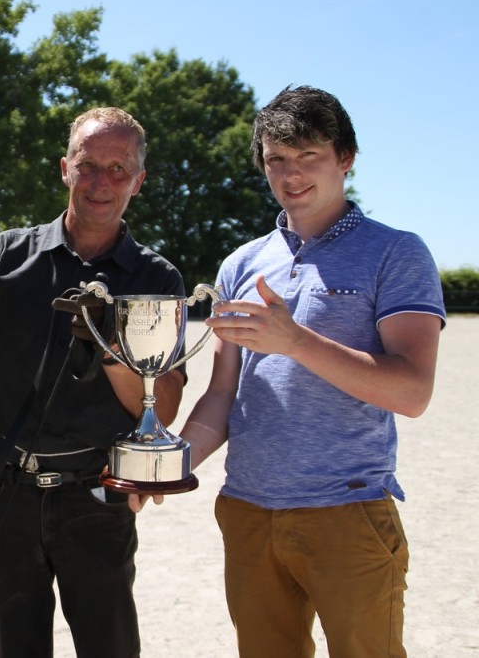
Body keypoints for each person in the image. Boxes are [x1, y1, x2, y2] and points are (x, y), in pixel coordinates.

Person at [169, 86, 445, 656]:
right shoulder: (241, 263)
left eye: (308, 156)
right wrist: (170, 464)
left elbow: (412, 391)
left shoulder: (397, 252)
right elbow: (223, 396)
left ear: (345, 157)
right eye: (276, 159)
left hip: (347, 511)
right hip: (247, 511)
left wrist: (295, 341)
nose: (291, 174)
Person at [0, 108, 185, 657]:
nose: (101, 182)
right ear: (65, 168)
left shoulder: (156, 278)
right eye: (88, 165)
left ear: (139, 180)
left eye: (118, 168)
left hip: (97, 498)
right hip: (0, 497)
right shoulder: (0, 258)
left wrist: (106, 344)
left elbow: (165, 407)